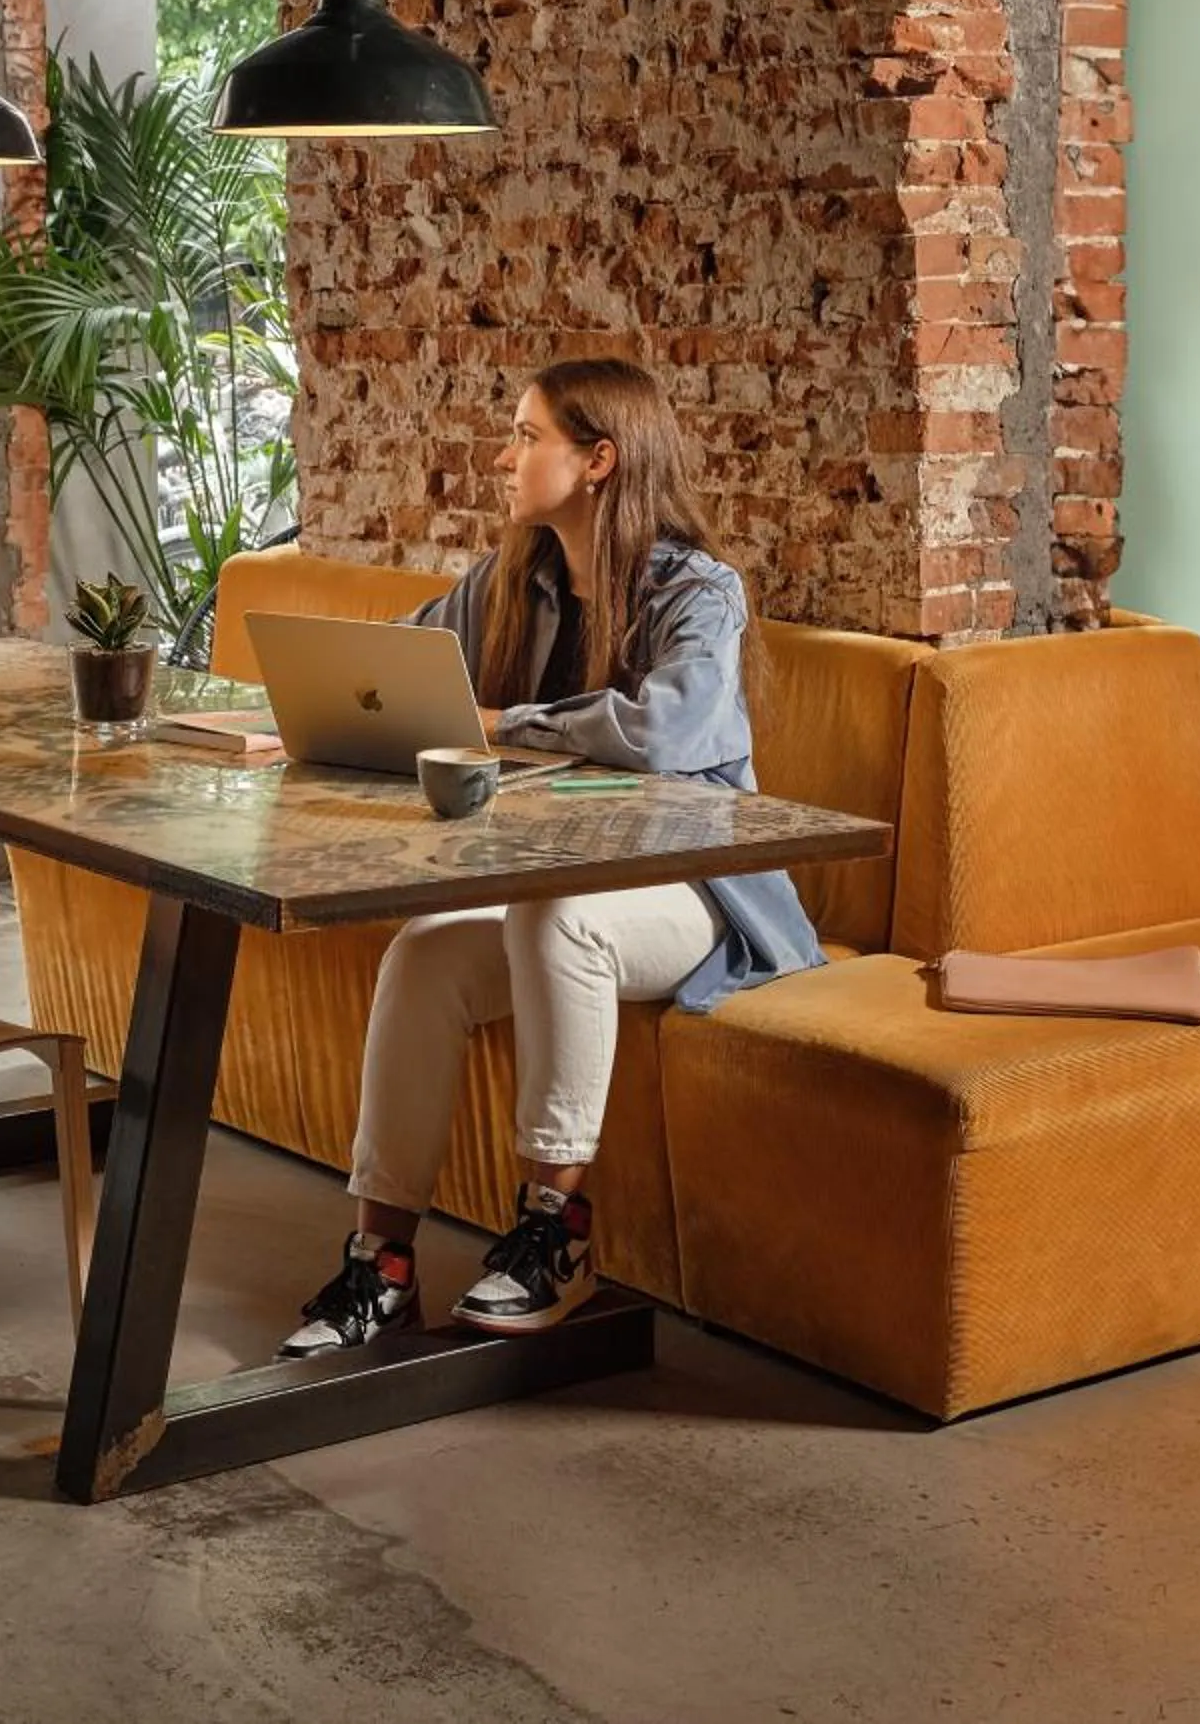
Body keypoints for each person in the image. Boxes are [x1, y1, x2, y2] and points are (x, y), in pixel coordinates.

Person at [278, 356, 825, 1357]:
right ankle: (381, 1264)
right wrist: (325, 705)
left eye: (527, 436)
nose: (504, 456)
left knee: (554, 915)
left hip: (693, 891)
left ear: (599, 460)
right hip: (554, 883)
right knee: (428, 949)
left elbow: (665, 733)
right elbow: (403, 671)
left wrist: (503, 722)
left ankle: (555, 1235)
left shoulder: (701, 591)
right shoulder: (510, 580)